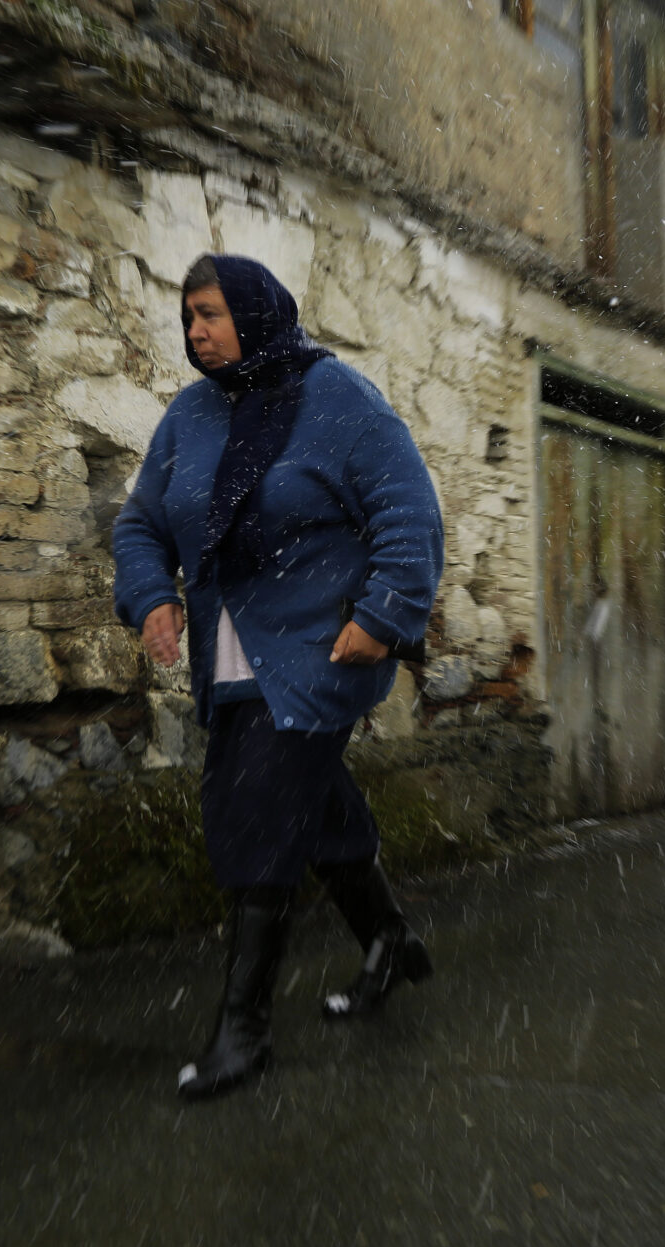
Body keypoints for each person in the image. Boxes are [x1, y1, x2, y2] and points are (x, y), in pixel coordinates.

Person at [113, 254, 445, 1100]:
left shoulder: (338, 399)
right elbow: (143, 522)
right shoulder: (189, 416)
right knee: (311, 799)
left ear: (257, 313)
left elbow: (408, 510)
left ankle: (244, 1031)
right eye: (188, 316)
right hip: (226, 660)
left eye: (212, 314)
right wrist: (151, 593)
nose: (196, 331)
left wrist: (383, 616)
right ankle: (390, 940)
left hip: (316, 652)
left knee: (252, 808)